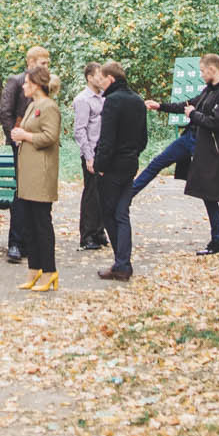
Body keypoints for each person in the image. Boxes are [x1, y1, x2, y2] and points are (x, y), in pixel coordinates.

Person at [142, 54, 219, 255]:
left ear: (212, 69)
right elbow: (186, 105)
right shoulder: (208, 91)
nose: (201, 75)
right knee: (158, 163)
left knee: (209, 195)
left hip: (209, 149)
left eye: (203, 71)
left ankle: (218, 242)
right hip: (191, 139)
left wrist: (193, 115)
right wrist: (160, 106)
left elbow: (216, 122)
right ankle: (128, 195)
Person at [93, 60, 147, 281]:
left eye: (102, 78)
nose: (100, 82)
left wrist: (100, 166)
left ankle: (121, 263)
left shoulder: (112, 102)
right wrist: (133, 154)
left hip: (113, 166)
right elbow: (143, 138)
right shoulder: (138, 100)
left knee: (109, 214)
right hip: (130, 163)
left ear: (111, 79)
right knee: (122, 214)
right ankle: (123, 264)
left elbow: (107, 139)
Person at [10, 65, 61, 292]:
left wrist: (25, 136)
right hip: (28, 173)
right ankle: (34, 270)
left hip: (41, 173)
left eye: (27, 82)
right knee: (29, 224)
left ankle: (49, 271)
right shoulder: (32, 105)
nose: (23, 86)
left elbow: (50, 136)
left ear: (37, 84)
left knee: (41, 223)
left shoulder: (49, 106)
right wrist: (19, 136)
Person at [0, 46, 51, 263]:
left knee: (36, 193)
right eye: (43, 63)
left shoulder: (47, 85)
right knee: (21, 192)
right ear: (30, 63)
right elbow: (5, 112)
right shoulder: (16, 81)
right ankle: (16, 242)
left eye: (48, 63)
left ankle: (31, 241)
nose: (46, 67)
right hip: (20, 143)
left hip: (40, 144)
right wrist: (15, 139)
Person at [71, 62, 108, 251]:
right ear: (89, 77)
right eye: (98, 75)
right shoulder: (83, 99)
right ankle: (87, 235)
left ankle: (99, 231)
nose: (101, 79)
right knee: (91, 194)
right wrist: (88, 156)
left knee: (103, 193)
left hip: (104, 151)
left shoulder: (104, 97)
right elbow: (80, 130)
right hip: (91, 151)